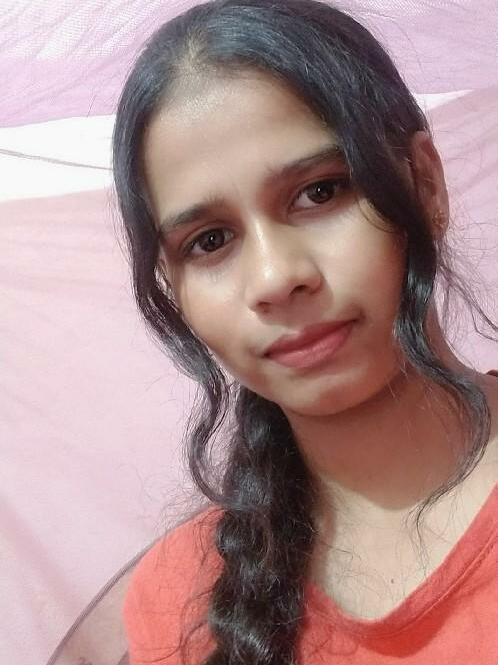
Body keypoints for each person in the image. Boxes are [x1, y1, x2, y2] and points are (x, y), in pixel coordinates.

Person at [111, 1, 498, 663]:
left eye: (320, 192)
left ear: (425, 183)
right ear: (173, 289)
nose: (275, 277)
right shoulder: (176, 598)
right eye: (210, 240)